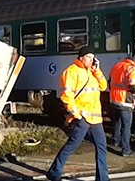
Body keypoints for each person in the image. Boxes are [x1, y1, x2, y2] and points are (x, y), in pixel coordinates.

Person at [46, 46, 109, 181]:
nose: (92, 60)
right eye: (89, 57)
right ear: (81, 58)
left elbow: (103, 86)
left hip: (96, 118)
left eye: (93, 58)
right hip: (83, 117)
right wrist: (76, 114)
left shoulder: (93, 72)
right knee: (72, 145)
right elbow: (66, 95)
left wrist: (97, 71)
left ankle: (103, 178)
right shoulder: (71, 72)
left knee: (102, 147)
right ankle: (54, 172)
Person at [108, 52, 135, 157]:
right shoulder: (133, 69)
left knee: (116, 122)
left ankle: (115, 141)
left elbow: (110, 80)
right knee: (126, 126)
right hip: (125, 101)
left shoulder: (117, 65)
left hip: (113, 99)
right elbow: (132, 85)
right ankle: (126, 149)